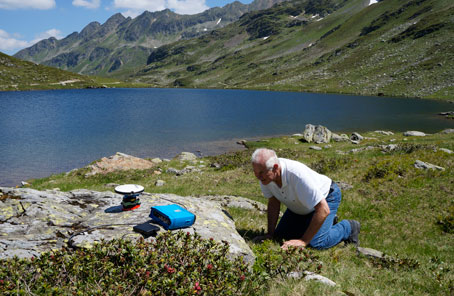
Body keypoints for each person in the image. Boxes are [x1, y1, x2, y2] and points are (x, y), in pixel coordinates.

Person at [251, 148, 360, 250]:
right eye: (255, 172)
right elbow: (273, 203)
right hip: (300, 206)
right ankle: (323, 222)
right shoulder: (266, 178)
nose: (258, 177)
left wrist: (303, 241)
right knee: (280, 236)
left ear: (275, 168)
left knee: (316, 243)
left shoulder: (297, 175)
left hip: (326, 199)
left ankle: (348, 227)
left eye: (261, 173)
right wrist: (270, 234)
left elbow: (323, 209)